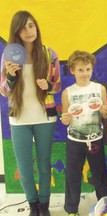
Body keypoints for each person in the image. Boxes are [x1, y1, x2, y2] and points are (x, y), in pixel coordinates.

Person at [0, 11, 61, 216]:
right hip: (19, 118)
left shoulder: (48, 54)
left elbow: (58, 85)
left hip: (45, 117)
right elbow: (4, 90)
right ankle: (33, 205)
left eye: (31, 26)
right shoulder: (8, 56)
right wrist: (10, 75)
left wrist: (49, 85)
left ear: (36, 28)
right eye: (24, 27)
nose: (28, 31)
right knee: (24, 171)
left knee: (44, 166)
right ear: (16, 31)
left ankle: (44, 206)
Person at [61, 50, 107, 216]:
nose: (85, 73)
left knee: (100, 175)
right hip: (74, 141)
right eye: (81, 69)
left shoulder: (100, 88)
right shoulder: (67, 92)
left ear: (92, 69)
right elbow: (65, 120)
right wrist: (65, 119)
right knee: (72, 176)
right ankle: (71, 210)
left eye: (88, 69)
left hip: (95, 139)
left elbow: (105, 115)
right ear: (72, 70)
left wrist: (106, 111)